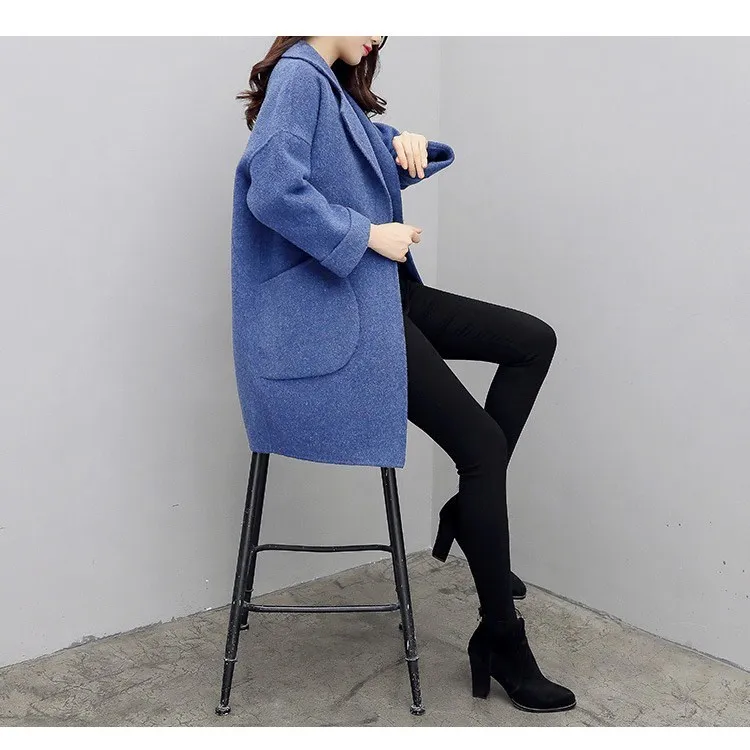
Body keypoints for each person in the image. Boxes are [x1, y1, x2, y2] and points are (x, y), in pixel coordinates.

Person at [236, 36, 576, 713]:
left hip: (385, 294)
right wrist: (365, 235)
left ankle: (469, 512)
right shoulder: (300, 76)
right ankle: (501, 637)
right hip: (349, 311)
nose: (378, 34)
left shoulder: (330, 86)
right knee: (482, 448)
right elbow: (272, 190)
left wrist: (412, 146)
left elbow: (359, 164)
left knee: (532, 342)